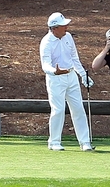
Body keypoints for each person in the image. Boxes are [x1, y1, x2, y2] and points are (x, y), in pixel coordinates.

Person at [40, 12, 94, 151]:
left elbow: (75, 59)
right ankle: (54, 142)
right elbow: (45, 65)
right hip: (55, 79)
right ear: (54, 28)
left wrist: (83, 75)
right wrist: (55, 71)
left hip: (71, 77)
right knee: (58, 110)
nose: (67, 27)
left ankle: (85, 142)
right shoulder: (46, 42)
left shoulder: (68, 37)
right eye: (63, 26)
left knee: (78, 109)